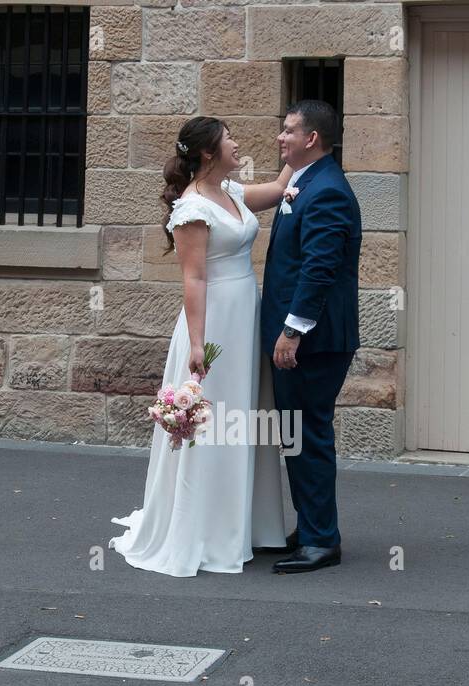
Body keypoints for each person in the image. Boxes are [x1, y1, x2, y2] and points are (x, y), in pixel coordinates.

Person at [109, 117, 294, 576]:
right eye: (229, 138)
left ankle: (246, 524)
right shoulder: (192, 207)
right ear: (209, 152)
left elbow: (272, 190)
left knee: (244, 414)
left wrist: (296, 161)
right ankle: (206, 529)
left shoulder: (229, 191)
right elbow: (193, 277)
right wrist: (197, 343)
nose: (237, 143)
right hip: (213, 324)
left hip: (244, 314)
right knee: (214, 422)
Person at [261, 100, 362, 574]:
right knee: (296, 435)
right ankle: (311, 526)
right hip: (306, 338)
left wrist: (291, 331)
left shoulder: (327, 192)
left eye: (288, 131)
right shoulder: (304, 183)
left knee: (307, 434)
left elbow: (318, 270)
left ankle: (322, 540)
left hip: (315, 341)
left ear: (311, 139)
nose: (281, 138)